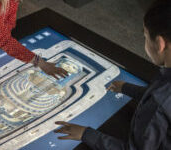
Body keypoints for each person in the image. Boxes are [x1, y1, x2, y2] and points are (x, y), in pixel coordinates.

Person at [54, 0, 171, 149]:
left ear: (160, 44)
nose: (145, 42)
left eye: (145, 37)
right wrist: (127, 88)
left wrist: (86, 134)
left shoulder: (159, 101)